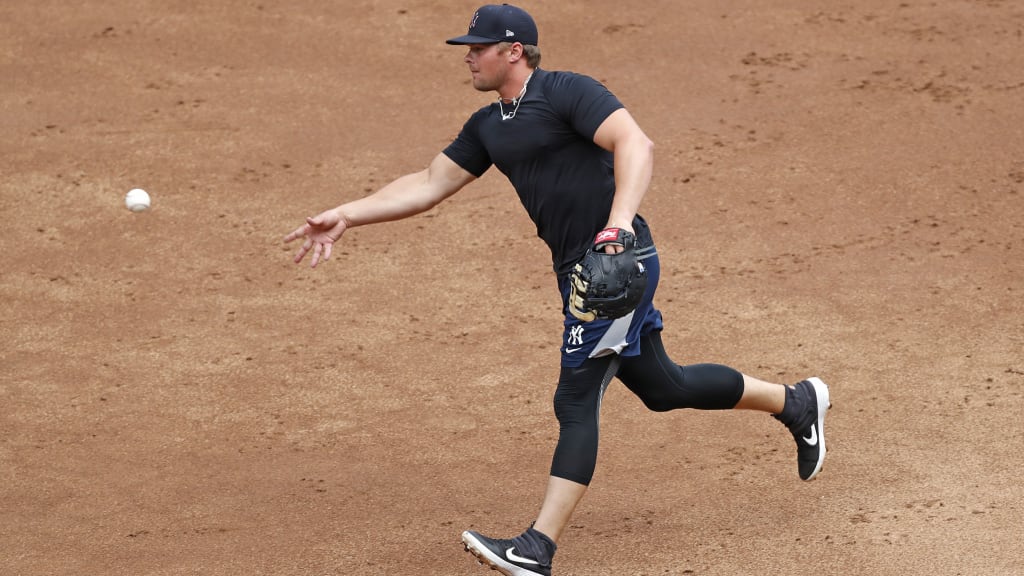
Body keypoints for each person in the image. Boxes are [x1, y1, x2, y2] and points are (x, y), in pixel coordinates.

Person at [284, 4, 831, 575]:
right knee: (663, 387)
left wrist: (616, 227)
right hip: (578, 272)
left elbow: (635, 144)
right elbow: (427, 183)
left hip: (618, 264)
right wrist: (347, 213)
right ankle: (795, 401)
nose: (468, 55)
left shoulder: (566, 92)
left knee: (575, 399)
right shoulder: (489, 125)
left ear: (513, 50)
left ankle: (536, 547)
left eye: (478, 46)